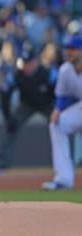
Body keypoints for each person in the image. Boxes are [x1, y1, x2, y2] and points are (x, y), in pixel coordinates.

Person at [0, 44, 56, 175]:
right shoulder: (16, 74)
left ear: (36, 61)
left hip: (48, 103)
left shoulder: (49, 73)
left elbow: (60, 92)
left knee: (60, 127)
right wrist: (8, 118)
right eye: (24, 62)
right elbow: (4, 95)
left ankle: (65, 165)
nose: (26, 66)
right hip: (26, 104)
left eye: (29, 62)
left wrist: (58, 111)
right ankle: (1, 164)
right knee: (10, 127)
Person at [42, 35, 82, 190]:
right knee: (57, 124)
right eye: (67, 49)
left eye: (73, 49)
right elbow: (63, 96)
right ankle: (64, 179)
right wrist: (58, 110)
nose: (69, 52)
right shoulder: (65, 70)